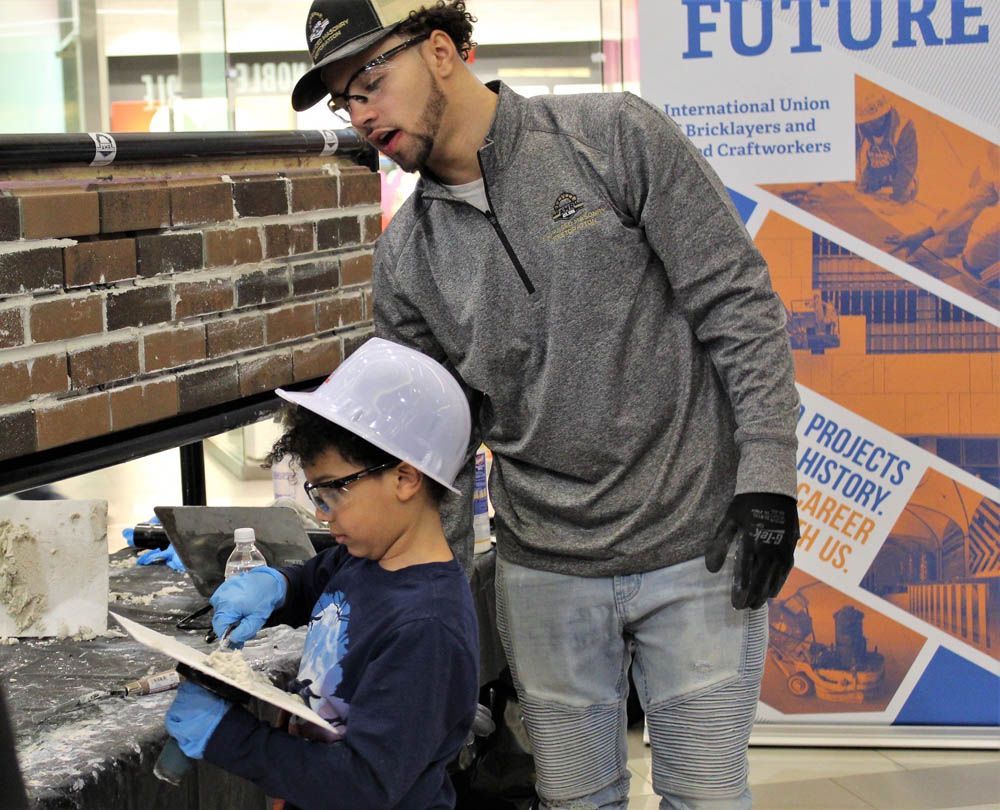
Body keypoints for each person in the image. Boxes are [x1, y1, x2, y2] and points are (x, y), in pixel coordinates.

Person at [290, 3, 801, 808]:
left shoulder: (613, 137)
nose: (360, 116)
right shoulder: (407, 259)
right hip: (544, 572)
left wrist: (767, 478)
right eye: (341, 100)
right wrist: (441, 618)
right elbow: (430, 456)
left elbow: (739, 306)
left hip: (696, 547)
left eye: (370, 82)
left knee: (707, 798)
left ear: (441, 50)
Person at [164, 337, 480, 810]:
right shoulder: (364, 556)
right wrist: (277, 588)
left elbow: (363, 784)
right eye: (317, 494)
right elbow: (317, 580)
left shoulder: (427, 631)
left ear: (405, 478)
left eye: (333, 492)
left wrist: (229, 737)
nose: (324, 514)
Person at [887, 162, 999, 285]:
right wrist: (923, 234)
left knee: (985, 272)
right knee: (973, 263)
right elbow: (969, 207)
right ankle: (952, 248)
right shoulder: (992, 167)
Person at [855, 86, 919, 204]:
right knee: (861, 191)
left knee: (905, 194)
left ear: (884, 115)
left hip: (899, 170)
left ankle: (902, 192)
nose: (869, 127)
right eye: (866, 123)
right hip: (875, 167)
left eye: (873, 122)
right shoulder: (861, 124)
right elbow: (853, 150)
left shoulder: (904, 127)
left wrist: (896, 199)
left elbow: (908, 164)